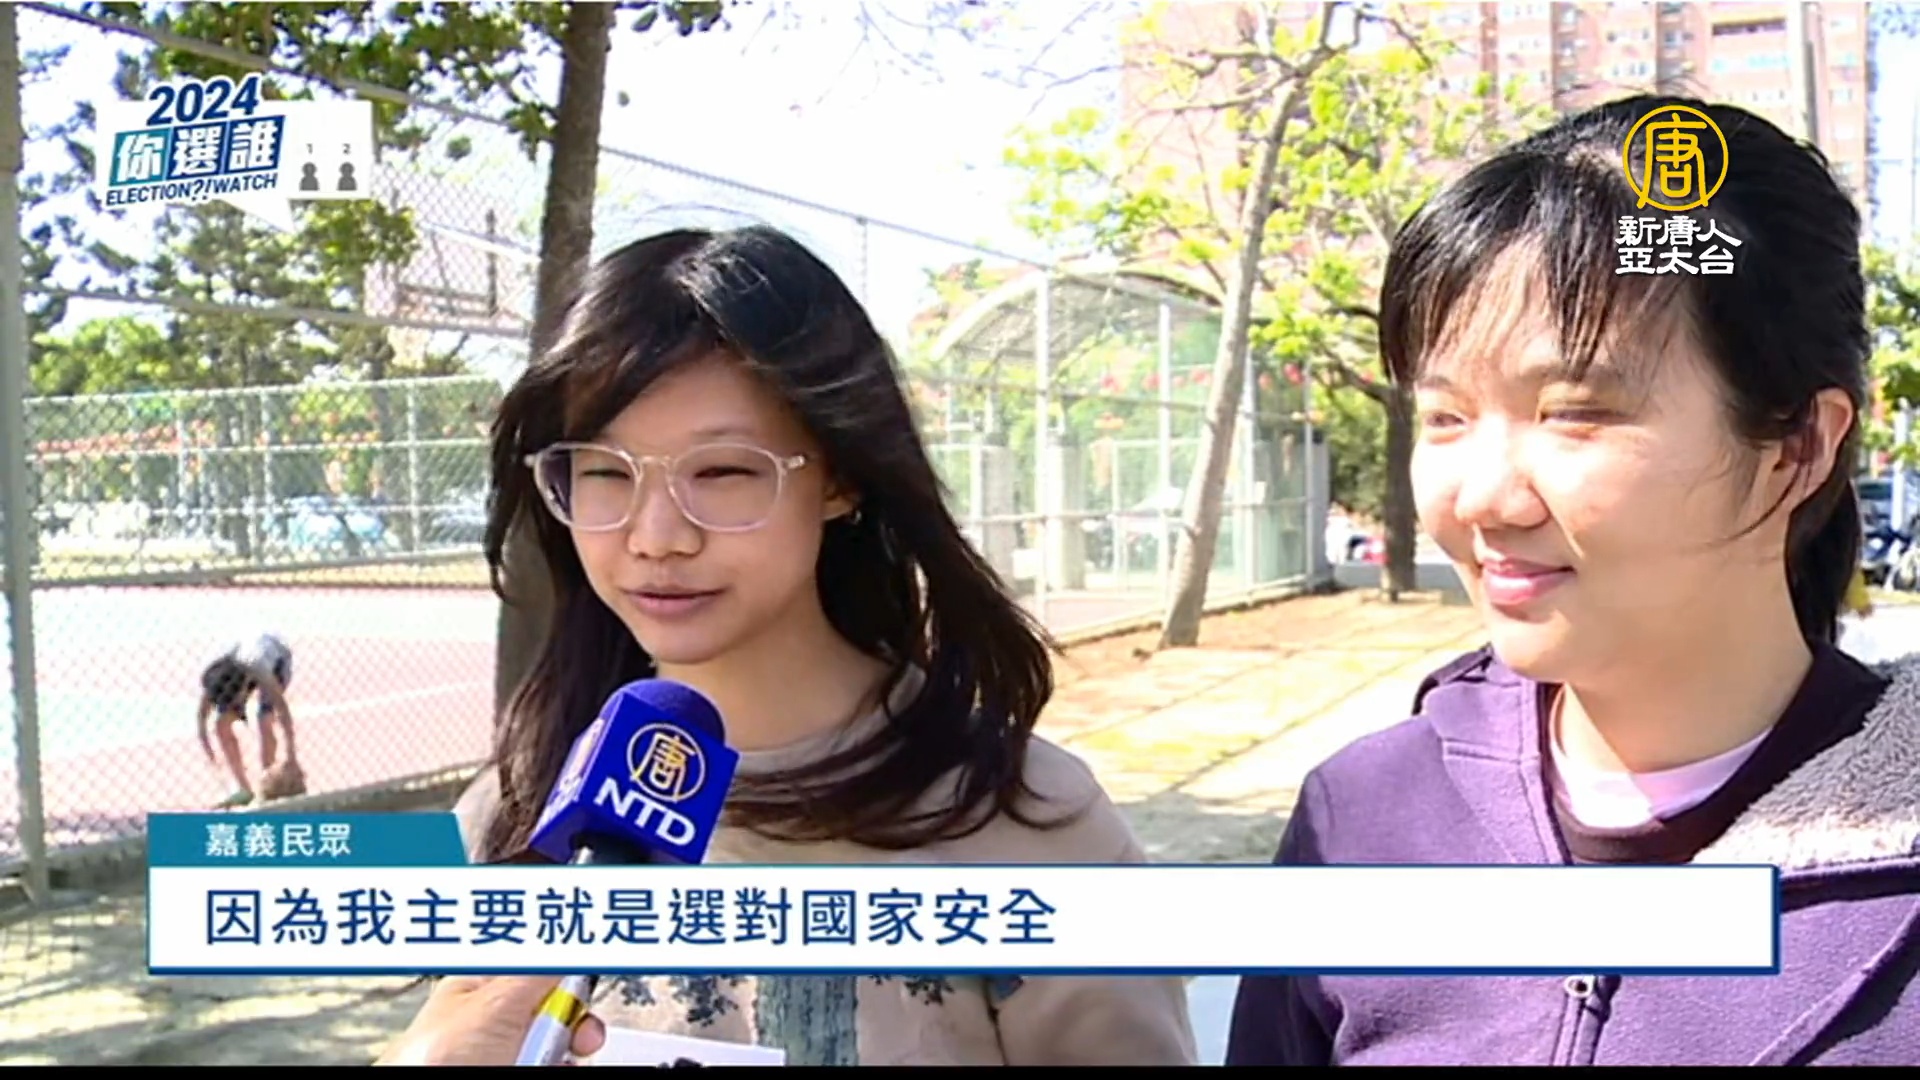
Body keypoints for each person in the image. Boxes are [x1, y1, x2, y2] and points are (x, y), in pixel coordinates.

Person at [377, 225, 1198, 1067]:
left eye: (723, 473)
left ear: (841, 476)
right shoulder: (509, 814)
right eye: (605, 473)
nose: (655, 537)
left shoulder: (1025, 824)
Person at [1225, 95, 1920, 1066]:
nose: (1485, 498)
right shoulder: (1362, 818)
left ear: (1798, 446)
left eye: (1575, 411)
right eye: (1446, 416)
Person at [196, 632, 304, 808]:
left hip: (275, 659)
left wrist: (291, 756)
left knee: (265, 719)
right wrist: (210, 754)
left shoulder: (261, 670)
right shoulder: (213, 677)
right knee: (221, 724)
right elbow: (201, 720)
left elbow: (283, 711)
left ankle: (267, 780)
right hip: (238, 666)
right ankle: (243, 789)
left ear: (243, 689)